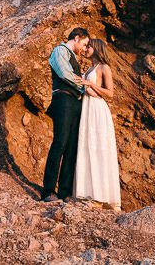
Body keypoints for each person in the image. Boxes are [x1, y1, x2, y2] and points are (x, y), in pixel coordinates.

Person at [41, 27, 91, 201]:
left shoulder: (74, 58)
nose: (85, 49)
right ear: (76, 38)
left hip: (75, 102)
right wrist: (85, 87)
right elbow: (64, 74)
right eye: (84, 44)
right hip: (63, 100)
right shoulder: (60, 51)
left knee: (71, 147)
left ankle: (64, 191)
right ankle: (48, 191)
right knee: (60, 142)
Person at [73, 38, 121, 211]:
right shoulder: (89, 68)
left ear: (97, 48)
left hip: (98, 110)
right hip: (87, 108)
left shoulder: (103, 68)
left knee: (98, 149)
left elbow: (110, 93)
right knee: (87, 148)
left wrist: (89, 83)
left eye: (89, 46)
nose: (86, 49)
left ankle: (101, 196)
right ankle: (88, 193)